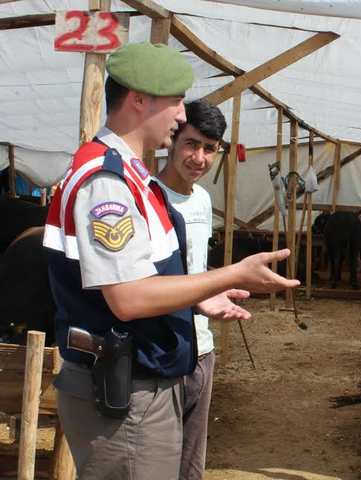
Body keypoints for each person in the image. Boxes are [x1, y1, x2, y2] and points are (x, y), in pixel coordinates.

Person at [43, 42, 298, 479]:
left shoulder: (130, 176)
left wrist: (195, 300)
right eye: (175, 101)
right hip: (126, 390)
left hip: (139, 380)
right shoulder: (109, 181)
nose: (181, 114)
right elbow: (128, 297)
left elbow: (133, 279)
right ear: (139, 99)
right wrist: (232, 273)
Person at [156, 98, 226, 480]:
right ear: (173, 139)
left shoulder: (202, 199)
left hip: (201, 347)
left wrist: (218, 286)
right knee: (155, 459)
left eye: (209, 149)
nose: (199, 157)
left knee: (191, 464)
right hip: (159, 349)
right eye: (192, 144)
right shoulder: (147, 195)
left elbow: (196, 268)